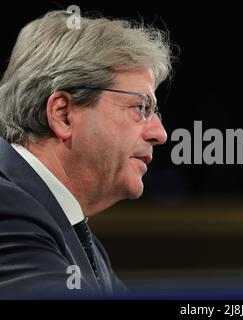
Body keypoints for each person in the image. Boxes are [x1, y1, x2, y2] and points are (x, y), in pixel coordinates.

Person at [0, 10, 172, 298]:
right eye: (140, 107)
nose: (160, 133)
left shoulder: (80, 238)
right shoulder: (7, 209)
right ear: (63, 114)